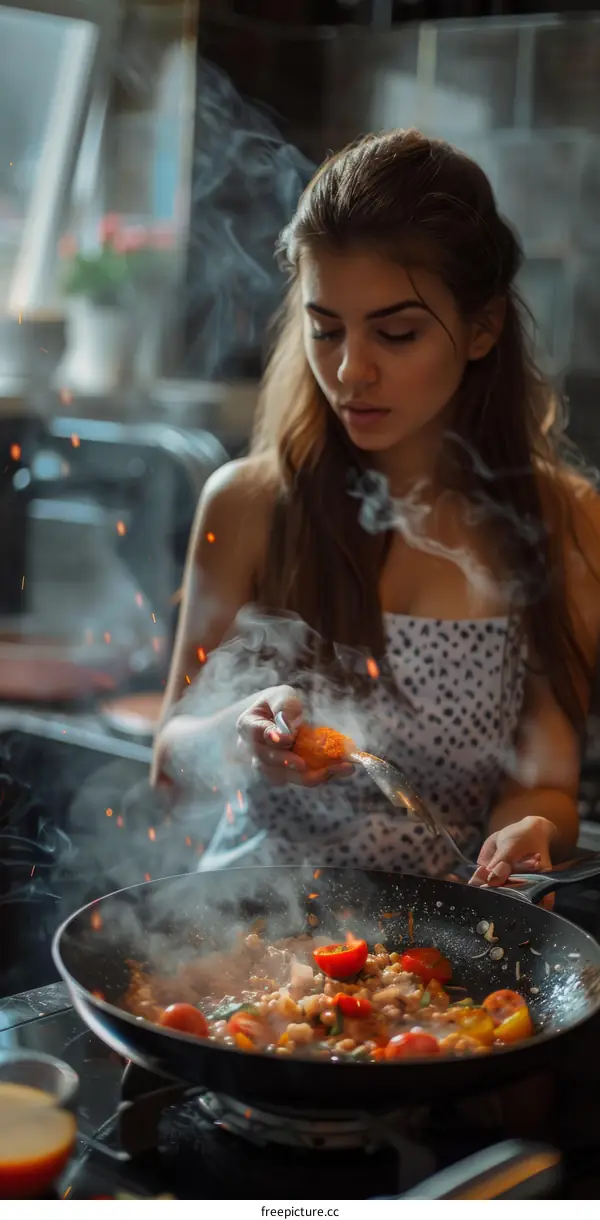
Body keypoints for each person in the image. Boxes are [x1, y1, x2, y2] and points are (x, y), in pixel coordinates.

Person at [153, 128, 600, 889]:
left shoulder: (562, 519)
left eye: (397, 333)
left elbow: (545, 782)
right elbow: (169, 761)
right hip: (244, 934)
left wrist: (531, 829)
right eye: (325, 329)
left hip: (439, 948)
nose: (351, 370)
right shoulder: (252, 502)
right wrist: (238, 733)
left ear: (483, 326)